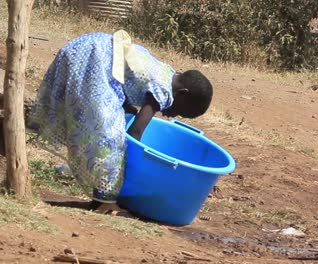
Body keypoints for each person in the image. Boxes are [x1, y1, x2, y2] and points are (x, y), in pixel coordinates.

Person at [28, 30, 213, 215]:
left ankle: (98, 191)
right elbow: (135, 133)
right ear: (183, 93)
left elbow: (123, 76)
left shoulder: (165, 72)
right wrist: (136, 167)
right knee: (111, 138)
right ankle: (105, 200)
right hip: (96, 58)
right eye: (180, 111)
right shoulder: (164, 91)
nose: (172, 115)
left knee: (104, 121)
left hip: (86, 46)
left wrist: (126, 105)